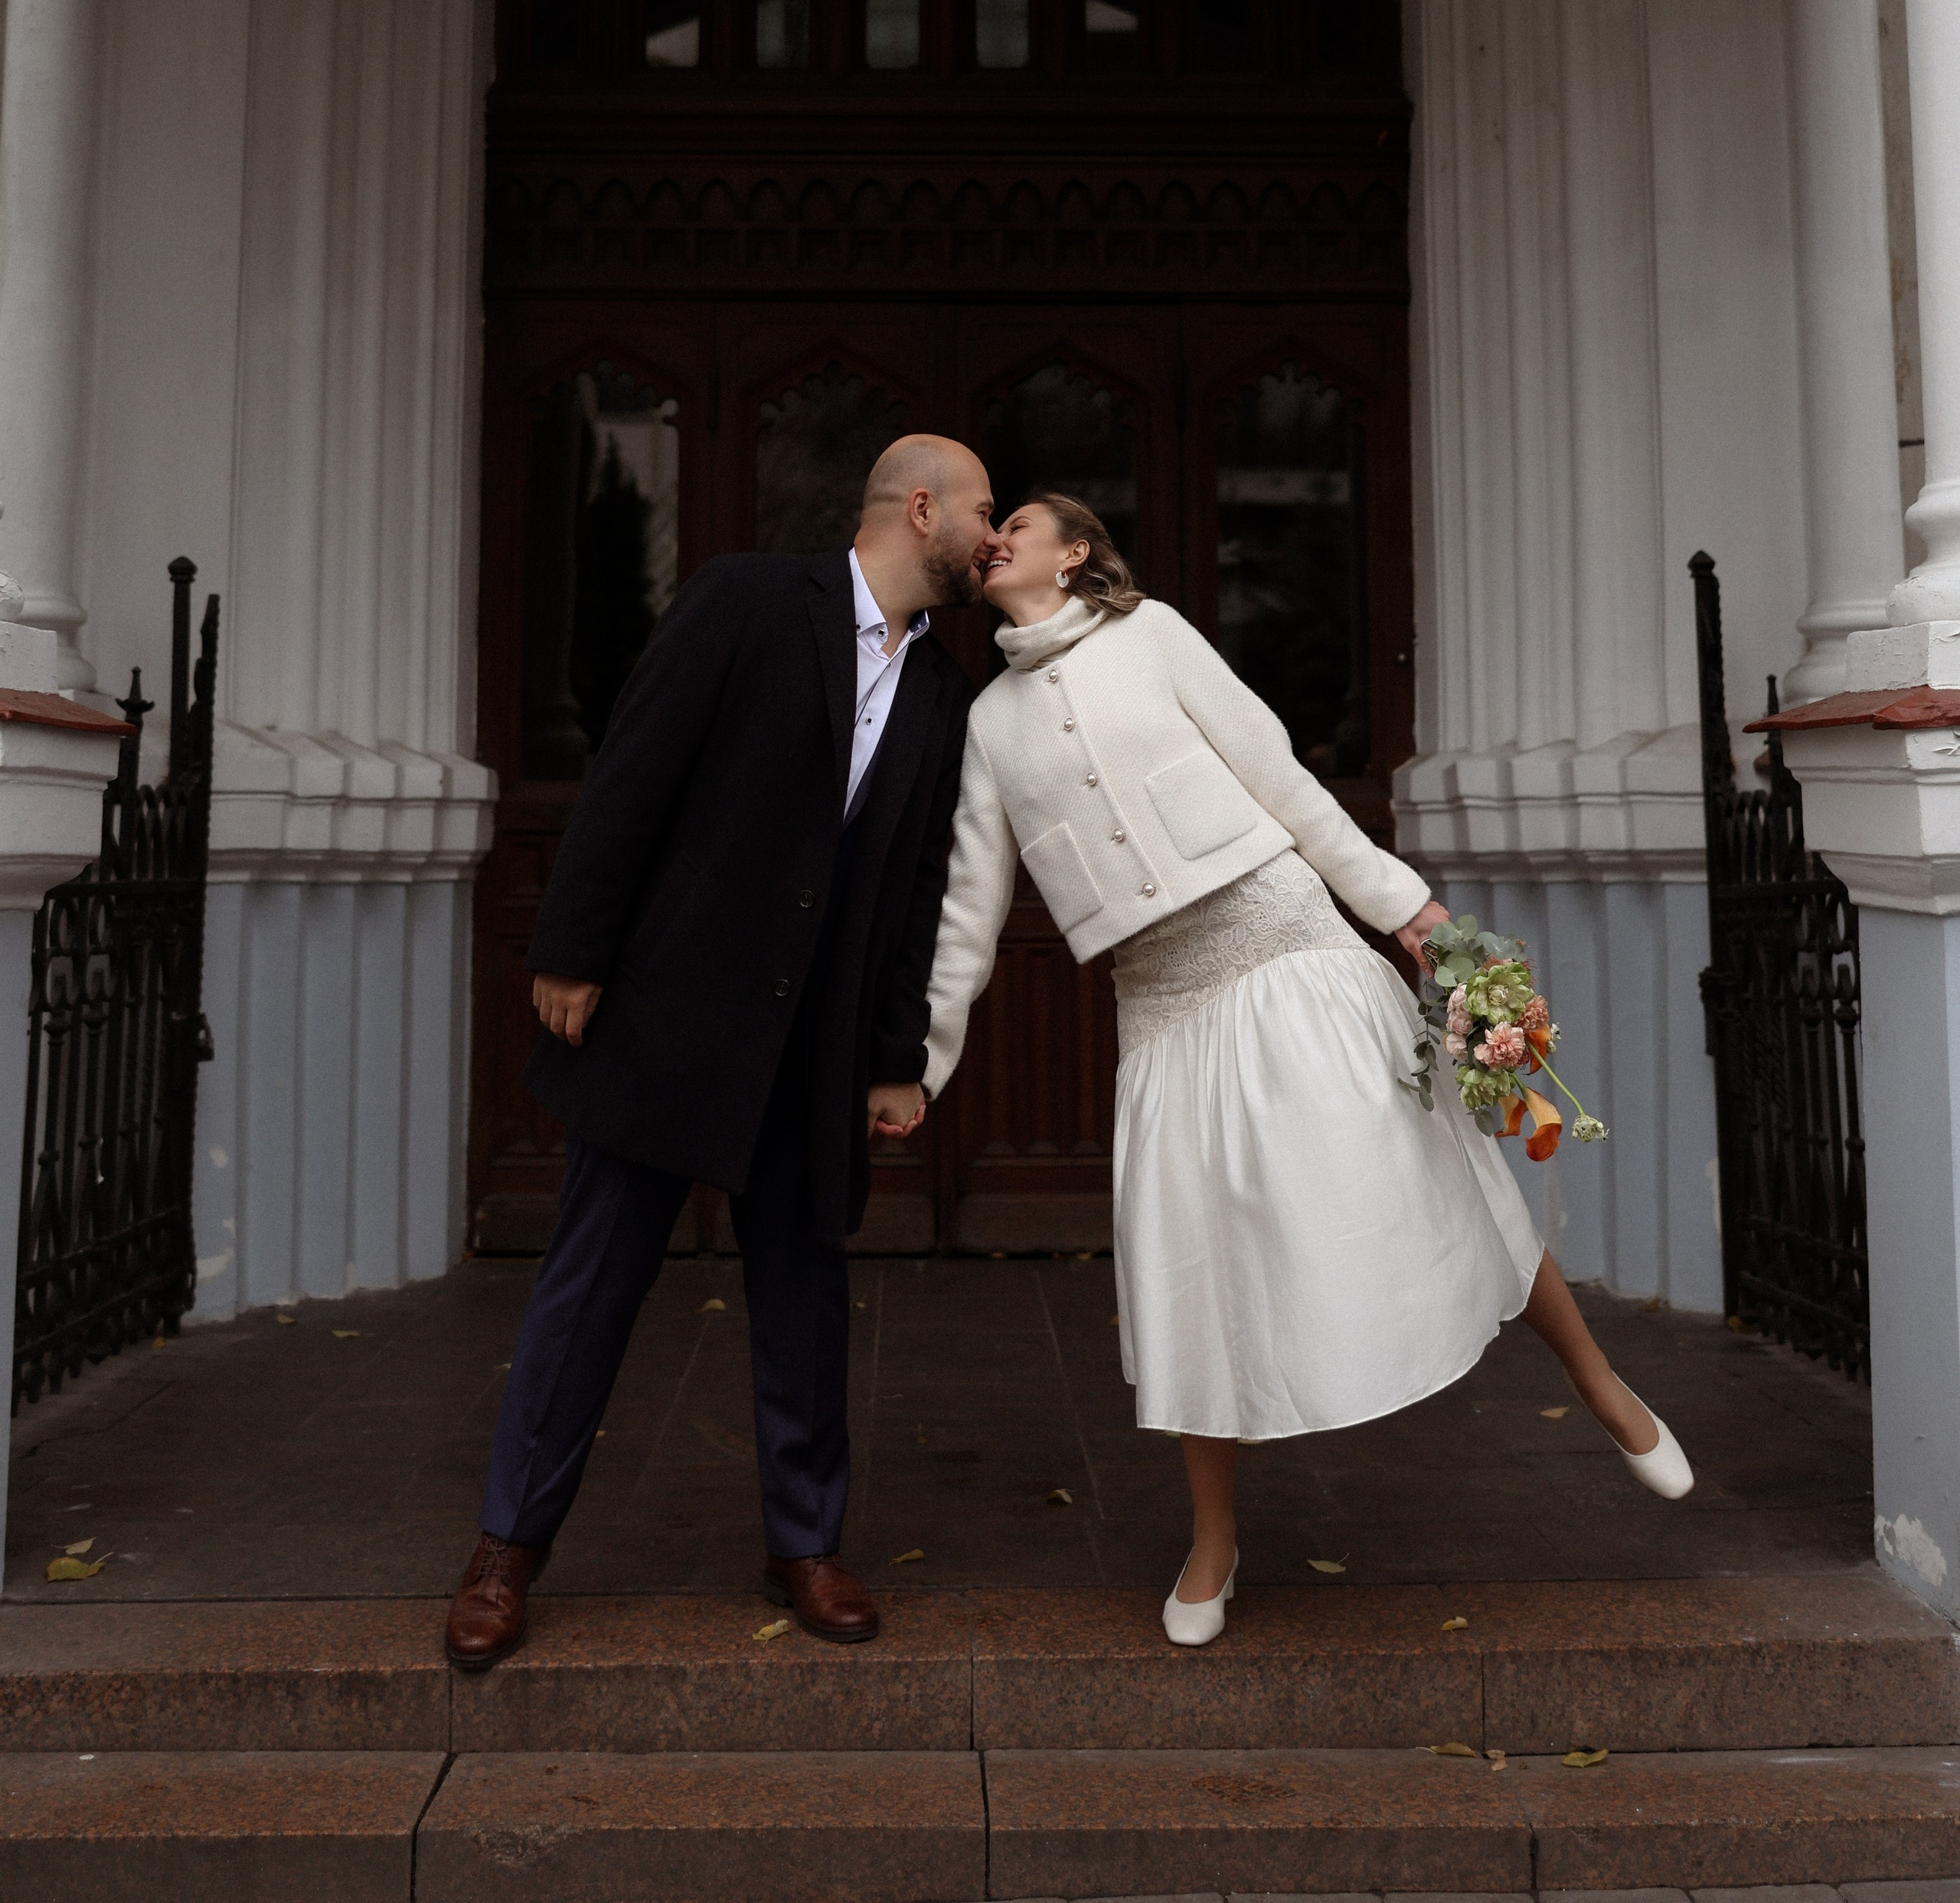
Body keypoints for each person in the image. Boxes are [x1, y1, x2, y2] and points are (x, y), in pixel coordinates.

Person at [923, 494, 1693, 1648]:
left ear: (1075, 551)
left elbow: (1280, 779)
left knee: (1431, 1173)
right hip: (1168, 1003)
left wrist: (1408, 911)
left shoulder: (1158, 634)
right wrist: (922, 1064)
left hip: (1286, 941)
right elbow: (970, 910)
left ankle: (1597, 1381)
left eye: (1021, 520)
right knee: (1190, 1268)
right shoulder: (989, 722)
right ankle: (1214, 1539)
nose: (999, 535)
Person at [443, 436, 998, 1668]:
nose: (993, 535)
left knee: (803, 1303)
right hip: (673, 1015)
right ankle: (504, 1551)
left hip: (818, 1048)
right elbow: (635, 762)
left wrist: (894, 1056)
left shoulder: (946, 695)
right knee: (590, 1288)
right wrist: (572, 944)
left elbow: (915, 891)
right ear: (922, 508)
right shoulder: (748, 599)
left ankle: (805, 1545)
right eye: (983, 510)